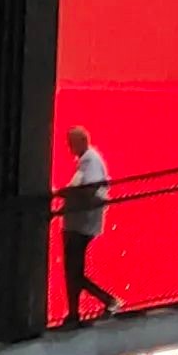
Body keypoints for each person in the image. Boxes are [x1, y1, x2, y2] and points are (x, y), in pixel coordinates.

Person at [59, 126, 120, 324]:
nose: (69, 147)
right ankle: (77, 311)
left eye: (71, 143)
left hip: (81, 224)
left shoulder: (90, 161)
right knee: (74, 270)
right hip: (78, 223)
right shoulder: (86, 161)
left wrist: (67, 194)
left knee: (73, 270)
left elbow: (89, 191)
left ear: (82, 142)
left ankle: (104, 301)